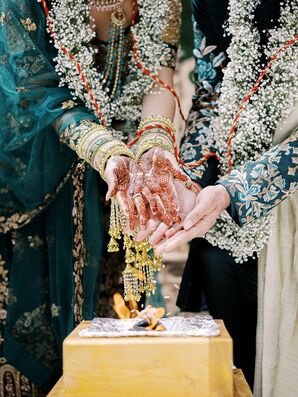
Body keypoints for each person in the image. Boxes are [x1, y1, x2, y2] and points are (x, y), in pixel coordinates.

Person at [0, 0, 184, 394]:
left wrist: (154, 144)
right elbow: (34, 90)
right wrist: (108, 152)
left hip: (117, 186)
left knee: (117, 339)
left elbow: (159, 77)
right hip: (32, 170)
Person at [146, 0, 297, 393]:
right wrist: (190, 180)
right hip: (223, 212)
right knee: (234, 369)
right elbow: (212, 90)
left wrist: (238, 189)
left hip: (282, 202)